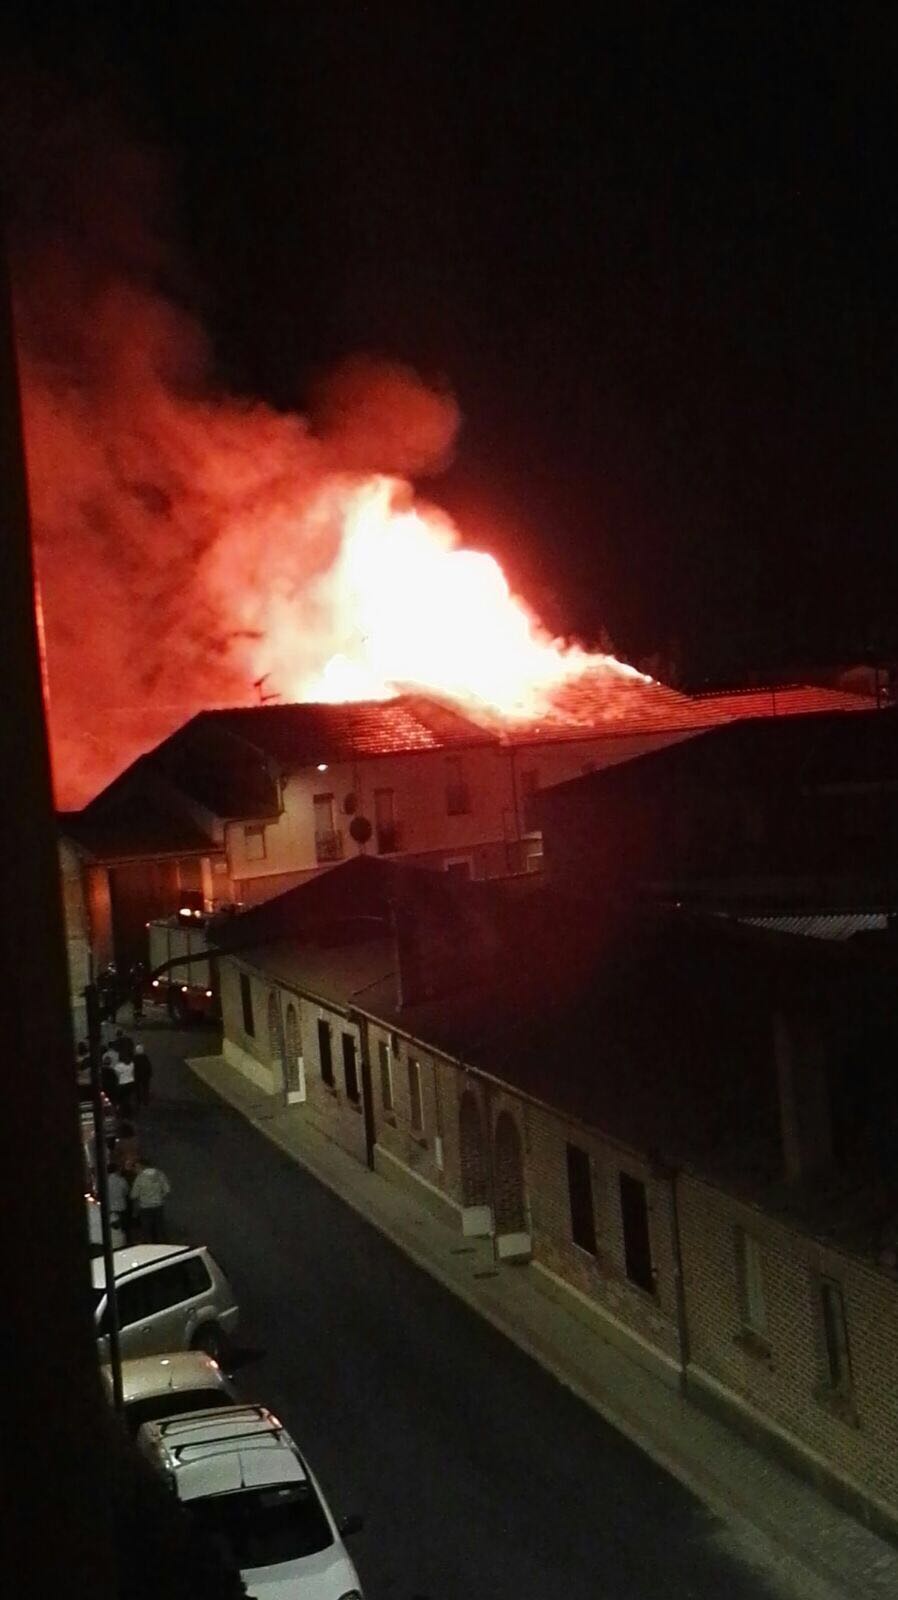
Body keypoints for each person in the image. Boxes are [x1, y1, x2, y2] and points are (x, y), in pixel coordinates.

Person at [130, 1159, 171, 1242]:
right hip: (158, 1205)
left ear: (141, 1166)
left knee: (147, 1230)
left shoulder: (140, 1177)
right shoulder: (160, 1174)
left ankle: (150, 1247)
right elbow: (167, 1190)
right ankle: (162, 1246)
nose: (135, 1170)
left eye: (136, 1167)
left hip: (145, 1207)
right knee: (159, 1228)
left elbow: (134, 1195)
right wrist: (159, 1196)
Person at [106, 1162, 130, 1248]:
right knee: (123, 1227)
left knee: (112, 1228)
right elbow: (126, 1191)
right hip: (121, 1206)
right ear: (116, 1170)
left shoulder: (104, 1181)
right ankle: (124, 1243)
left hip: (109, 1207)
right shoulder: (121, 1180)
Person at [115, 1046, 136, 1119]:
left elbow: (117, 1076)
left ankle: (122, 1113)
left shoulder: (118, 1066)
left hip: (122, 1084)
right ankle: (129, 1113)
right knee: (128, 1099)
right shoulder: (132, 1064)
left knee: (121, 1100)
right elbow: (133, 1073)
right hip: (131, 1083)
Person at [134, 1043, 152, 1109]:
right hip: (145, 1076)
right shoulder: (145, 1058)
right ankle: (145, 1101)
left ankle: (138, 1101)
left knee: (137, 1089)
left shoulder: (135, 1058)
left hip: (137, 1076)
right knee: (145, 1089)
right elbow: (148, 1067)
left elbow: (134, 1067)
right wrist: (149, 1074)